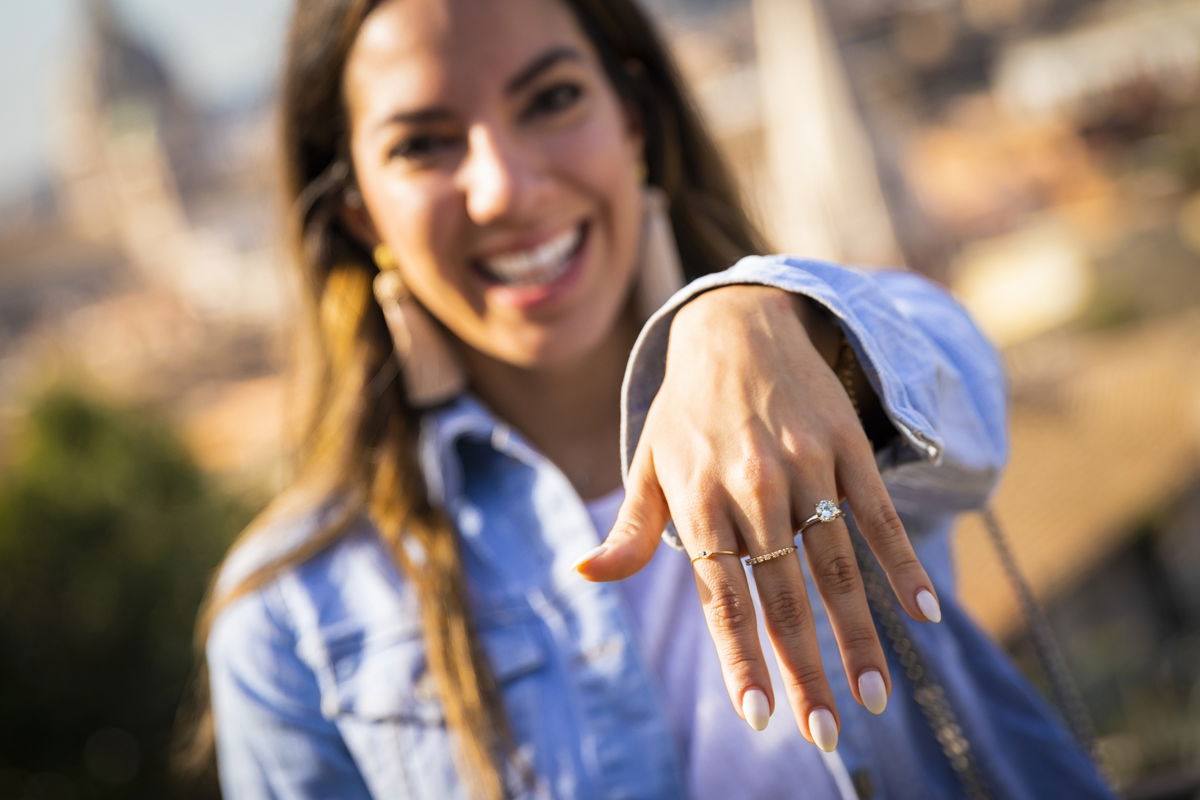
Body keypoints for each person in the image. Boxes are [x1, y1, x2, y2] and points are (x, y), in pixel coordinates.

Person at [196, 0, 1114, 797]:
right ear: (361, 212)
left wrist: (775, 317)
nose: (505, 188)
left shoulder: (813, 378)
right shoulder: (287, 619)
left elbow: (963, 379)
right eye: (423, 144)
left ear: (634, 118)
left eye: (552, 99)